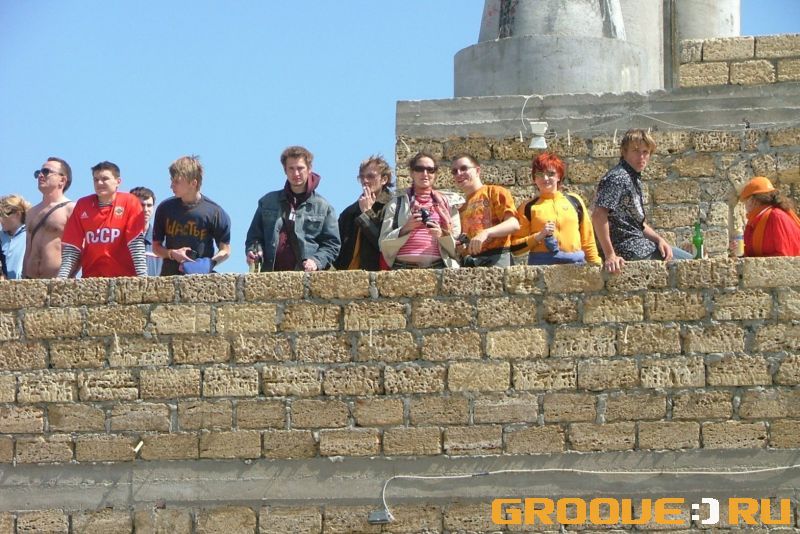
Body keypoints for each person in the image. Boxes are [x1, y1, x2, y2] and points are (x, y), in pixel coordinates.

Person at [591, 128, 692, 273]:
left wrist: (659, 239)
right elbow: (598, 215)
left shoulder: (632, 177)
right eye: (636, 151)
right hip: (630, 249)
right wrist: (610, 255)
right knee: (693, 266)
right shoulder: (618, 178)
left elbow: (638, 223)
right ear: (624, 152)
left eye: (645, 152)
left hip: (640, 245)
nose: (641, 157)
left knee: (693, 261)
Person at [245, 146, 340, 272]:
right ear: (285, 170)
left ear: (309, 168)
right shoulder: (267, 202)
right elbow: (254, 237)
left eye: (300, 168)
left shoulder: (323, 207)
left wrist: (316, 261)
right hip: (270, 276)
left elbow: (332, 244)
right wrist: (254, 251)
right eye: (291, 168)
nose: (296, 173)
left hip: (307, 278)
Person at [58, 161, 147, 278]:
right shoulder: (83, 204)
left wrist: (143, 278)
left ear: (118, 181)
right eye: (96, 180)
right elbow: (72, 246)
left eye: (105, 179)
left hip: (124, 278)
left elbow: (136, 243)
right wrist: (61, 277)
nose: (99, 183)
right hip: (91, 278)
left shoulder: (130, 202)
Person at [513, 153, 600, 266]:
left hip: (576, 266)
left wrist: (596, 264)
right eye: (540, 174)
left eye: (551, 174)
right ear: (534, 179)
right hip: (542, 267)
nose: (545, 178)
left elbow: (588, 239)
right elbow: (515, 248)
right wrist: (539, 236)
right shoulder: (527, 207)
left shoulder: (574, 201)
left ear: (559, 176)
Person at [379, 152, 463, 269]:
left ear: (435, 174)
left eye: (430, 170)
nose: (425, 173)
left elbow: (457, 244)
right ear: (412, 173)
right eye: (419, 169)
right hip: (401, 267)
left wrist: (442, 235)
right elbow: (382, 243)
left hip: (439, 266)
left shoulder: (448, 204)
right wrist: (405, 229)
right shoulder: (396, 203)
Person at [152, 155, 231, 275]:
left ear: (193, 183)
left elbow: (225, 250)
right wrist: (172, 253)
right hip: (169, 277)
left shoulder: (215, 212)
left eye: (177, 181)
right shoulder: (164, 208)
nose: (171, 185)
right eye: (171, 180)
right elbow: (156, 247)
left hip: (202, 279)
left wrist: (208, 264)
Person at [451, 153, 519, 267]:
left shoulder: (495, 192)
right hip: (470, 263)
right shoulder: (460, 207)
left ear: (477, 171)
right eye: (454, 171)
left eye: (464, 168)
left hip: (497, 258)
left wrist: (486, 233)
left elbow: (513, 224)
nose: (459, 174)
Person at [334, 155, 394, 271]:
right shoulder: (349, 212)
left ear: (384, 179)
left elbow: (385, 245)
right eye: (362, 177)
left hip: (382, 275)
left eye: (370, 176)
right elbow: (337, 249)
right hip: (350, 277)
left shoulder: (394, 206)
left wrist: (367, 213)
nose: (365, 181)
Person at [23, 157, 75, 278]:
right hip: (30, 282)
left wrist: (65, 281)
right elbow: (28, 250)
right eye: (38, 172)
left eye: (46, 172)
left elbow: (78, 249)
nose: (40, 175)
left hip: (58, 282)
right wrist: (23, 278)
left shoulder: (71, 209)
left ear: (62, 180)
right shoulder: (31, 213)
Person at [737, 176, 800, 257]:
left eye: (745, 202)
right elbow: (753, 253)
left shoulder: (776, 216)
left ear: (753, 200)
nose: (745, 207)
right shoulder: (756, 221)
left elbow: (783, 257)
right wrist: (739, 251)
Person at [130, 186, 163, 276]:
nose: (145, 209)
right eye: (141, 205)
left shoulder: (161, 241)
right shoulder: (120, 240)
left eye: (149, 205)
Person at [0, 195, 33, 279]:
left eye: (3, 215)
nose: (0, 219)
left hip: (25, 285)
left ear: (17, 214)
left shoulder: (31, 235)